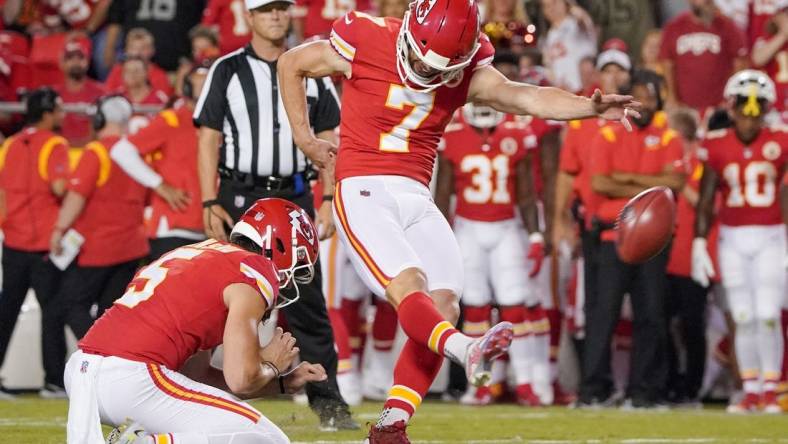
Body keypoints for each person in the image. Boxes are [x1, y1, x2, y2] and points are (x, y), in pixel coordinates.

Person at [277, 0, 640, 439]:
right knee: (409, 285)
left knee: (445, 302)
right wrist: (305, 138)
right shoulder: (368, 37)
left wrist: (589, 107)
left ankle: (391, 426)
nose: (425, 72)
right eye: (417, 59)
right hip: (364, 188)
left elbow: (527, 96)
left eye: (438, 68)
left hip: (415, 193)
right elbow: (291, 62)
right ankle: (465, 347)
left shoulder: (468, 71)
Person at [194, 0, 354, 430]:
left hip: (295, 194)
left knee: (307, 301)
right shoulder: (226, 69)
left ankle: (329, 405)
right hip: (240, 195)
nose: (276, 16)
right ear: (249, 17)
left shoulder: (312, 66)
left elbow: (328, 138)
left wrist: (327, 197)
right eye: (266, 10)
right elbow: (208, 137)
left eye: (282, 8)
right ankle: (206, 395)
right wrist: (210, 201)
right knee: (222, 297)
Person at [64, 198, 327, 444]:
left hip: (83, 372)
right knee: (266, 439)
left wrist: (281, 383)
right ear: (277, 244)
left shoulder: (200, 253)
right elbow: (241, 379)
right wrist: (270, 364)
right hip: (132, 376)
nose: (290, 279)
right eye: (298, 264)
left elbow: (197, 375)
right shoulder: (254, 269)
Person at [581, 69, 686, 408]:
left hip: (653, 240)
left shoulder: (669, 136)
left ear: (660, 101)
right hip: (613, 236)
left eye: (651, 96)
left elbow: (675, 183)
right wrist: (651, 185)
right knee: (603, 315)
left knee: (652, 315)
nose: (644, 103)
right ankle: (593, 389)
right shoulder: (609, 134)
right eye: (638, 95)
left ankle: (644, 391)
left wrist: (625, 180)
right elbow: (600, 183)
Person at [435, 103, 548, 406]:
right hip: (468, 228)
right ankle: (482, 384)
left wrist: (535, 236)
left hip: (506, 228)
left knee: (514, 307)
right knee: (475, 310)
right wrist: (437, 239)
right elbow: (443, 194)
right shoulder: (454, 134)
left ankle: (524, 383)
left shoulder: (516, 133)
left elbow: (526, 194)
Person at [693, 69, 787, 414]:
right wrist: (699, 242)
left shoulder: (780, 141)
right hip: (732, 238)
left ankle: (770, 389)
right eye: (744, 109)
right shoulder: (716, 143)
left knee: (767, 315)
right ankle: (749, 389)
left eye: (756, 110)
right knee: (744, 316)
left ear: (765, 111)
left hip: (771, 235)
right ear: (732, 109)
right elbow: (706, 197)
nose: (749, 118)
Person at [50, 95, 149, 339]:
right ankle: (106, 359)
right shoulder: (137, 154)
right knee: (110, 312)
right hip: (131, 247)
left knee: (71, 304)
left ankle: (95, 351)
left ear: (100, 119)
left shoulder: (96, 151)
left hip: (98, 247)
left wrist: (58, 230)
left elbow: (76, 197)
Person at [0, 87, 69, 399]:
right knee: (52, 312)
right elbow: (58, 187)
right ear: (46, 113)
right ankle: (53, 380)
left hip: (12, 240)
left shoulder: (10, 144)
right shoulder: (55, 143)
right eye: (57, 109)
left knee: (6, 311)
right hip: (43, 243)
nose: (62, 114)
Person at [110, 65, 207, 260]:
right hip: (173, 228)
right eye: (202, 84)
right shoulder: (171, 120)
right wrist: (159, 185)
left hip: (208, 229)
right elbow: (121, 151)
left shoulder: (219, 123)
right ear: (187, 90)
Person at [659, 0, 748, 114]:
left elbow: (740, 63)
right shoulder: (674, 27)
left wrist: (731, 97)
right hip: (684, 107)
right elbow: (667, 63)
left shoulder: (727, 26)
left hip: (719, 107)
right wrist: (672, 97)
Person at [104, 0, 206, 72]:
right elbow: (115, 17)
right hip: (133, 66)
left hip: (173, 66)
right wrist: (109, 48)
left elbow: (200, 24)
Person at [54, 39, 107, 147]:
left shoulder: (101, 92)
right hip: (59, 150)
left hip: (90, 151)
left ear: (87, 62)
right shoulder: (53, 94)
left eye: (80, 58)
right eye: (70, 58)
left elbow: (104, 129)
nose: (76, 62)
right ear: (61, 63)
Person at [104, 28, 173, 96]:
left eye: (143, 48)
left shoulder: (160, 76)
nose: (137, 53)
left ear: (152, 51)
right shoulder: (117, 71)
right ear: (126, 50)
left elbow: (163, 102)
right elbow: (107, 95)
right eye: (133, 48)